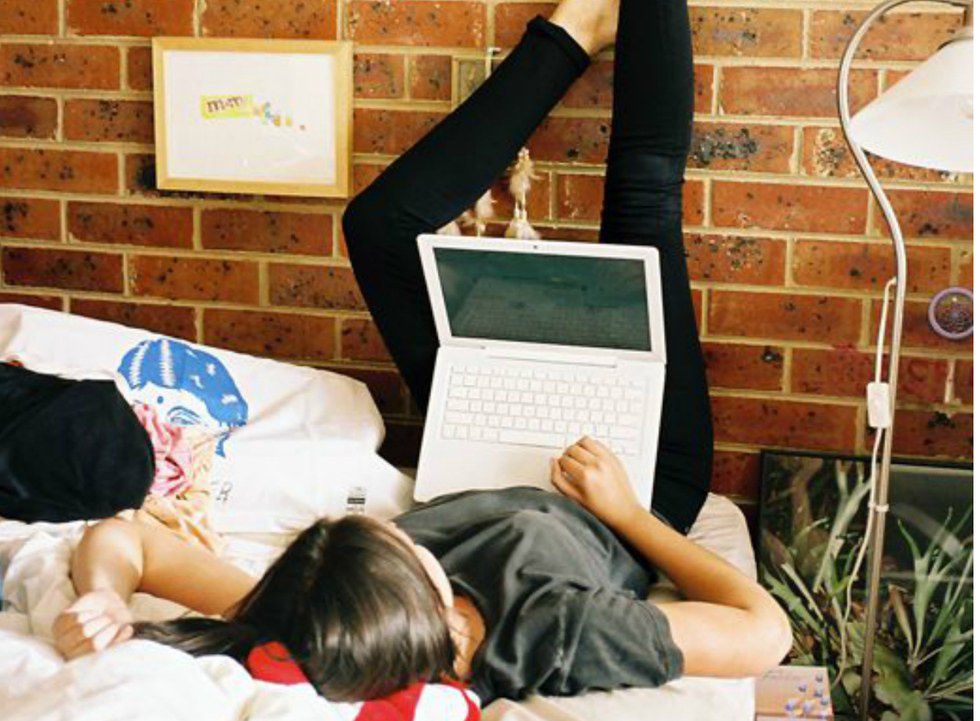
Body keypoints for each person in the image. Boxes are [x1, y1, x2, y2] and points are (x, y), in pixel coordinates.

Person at [52, 0, 792, 705]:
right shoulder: (551, 632)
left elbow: (127, 539)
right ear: (433, 605)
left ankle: (572, 34)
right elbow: (764, 631)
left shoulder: (329, 614)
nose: (402, 535)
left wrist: (104, 597)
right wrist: (627, 512)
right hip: (638, 477)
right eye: (395, 546)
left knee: (379, 227)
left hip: (488, 444)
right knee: (642, 198)